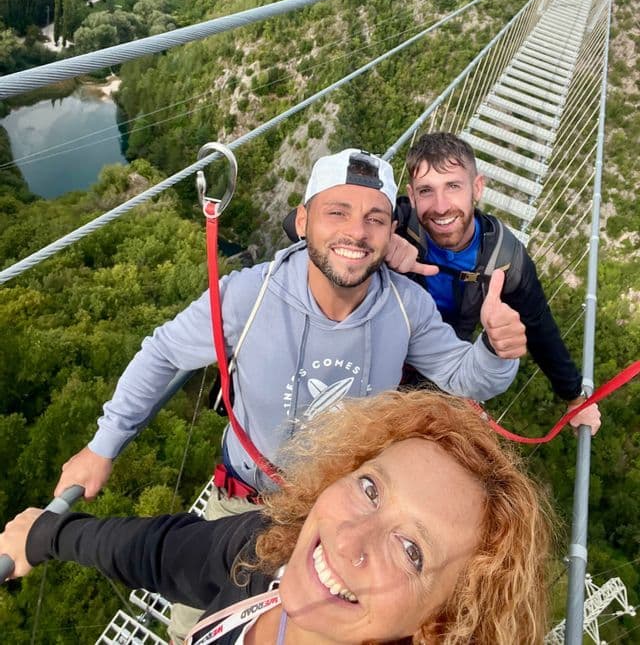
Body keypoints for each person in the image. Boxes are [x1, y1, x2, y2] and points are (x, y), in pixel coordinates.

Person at [54, 148, 526, 643]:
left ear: (390, 236)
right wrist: (102, 445)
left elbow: (464, 377)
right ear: (303, 221)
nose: (356, 232)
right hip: (243, 501)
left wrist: (495, 350)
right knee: (194, 622)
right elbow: (165, 354)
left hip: (337, 515)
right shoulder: (249, 296)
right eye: (336, 212)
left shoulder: (407, 308)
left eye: (375, 219)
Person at [2, 390, 552, 645]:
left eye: (412, 551)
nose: (348, 539)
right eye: (370, 488)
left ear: (439, 625)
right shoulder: (266, 557)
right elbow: (167, 553)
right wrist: (50, 536)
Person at [387, 132, 601, 434]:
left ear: (477, 188)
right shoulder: (392, 222)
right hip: (387, 344)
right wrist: (378, 246)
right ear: (411, 195)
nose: (440, 205)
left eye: (453, 186)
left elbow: (539, 326)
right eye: (426, 191)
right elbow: (305, 230)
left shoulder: (506, 259)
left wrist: (574, 396)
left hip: (445, 359)